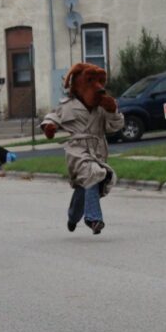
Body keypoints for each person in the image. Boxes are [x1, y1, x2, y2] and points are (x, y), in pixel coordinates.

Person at [40, 62, 123, 234]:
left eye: (100, 82)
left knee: (85, 186)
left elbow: (115, 126)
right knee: (94, 173)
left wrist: (112, 110)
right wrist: (49, 126)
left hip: (97, 150)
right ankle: (93, 219)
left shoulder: (101, 107)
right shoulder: (68, 105)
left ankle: (73, 216)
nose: (98, 87)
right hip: (77, 151)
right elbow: (53, 116)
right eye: (91, 82)